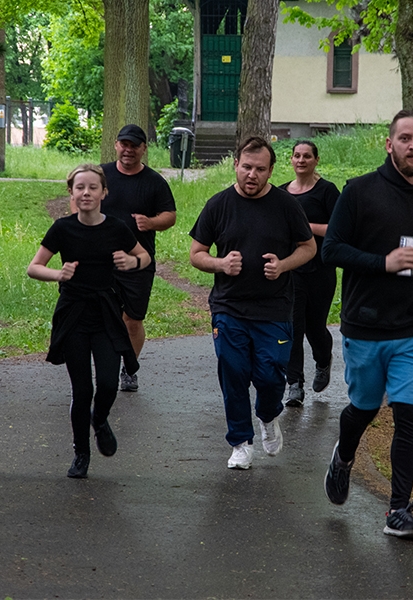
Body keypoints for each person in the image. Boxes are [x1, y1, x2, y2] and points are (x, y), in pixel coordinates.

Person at [321, 110, 413, 540]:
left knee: (408, 415)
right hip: (365, 324)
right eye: (405, 138)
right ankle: (344, 456)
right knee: (363, 408)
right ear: (389, 144)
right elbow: (331, 250)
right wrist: (382, 263)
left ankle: (398, 510)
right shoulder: (360, 192)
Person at [189, 137, 317, 470]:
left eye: (260, 169)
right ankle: (240, 443)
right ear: (235, 165)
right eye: (246, 167)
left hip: (274, 309)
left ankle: (268, 416)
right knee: (233, 373)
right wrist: (219, 264)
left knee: (271, 376)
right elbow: (196, 254)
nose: (252, 174)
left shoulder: (287, 205)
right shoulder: (218, 205)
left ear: (271, 170)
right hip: (229, 307)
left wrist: (283, 266)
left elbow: (308, 247)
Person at [28, 164, 151, 478]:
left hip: (106, 312)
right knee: (82, 390)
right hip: (73, 314)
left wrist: (131, 261)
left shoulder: (117, 228)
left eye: (92, 187)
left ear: (103, 193)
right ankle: (81, 452)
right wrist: (58, 273)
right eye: (79, 187)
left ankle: (101, 419)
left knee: (109, 383)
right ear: (71, 192)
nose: (86, 193)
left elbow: (146, 257)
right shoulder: (62, 228)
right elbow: (34, 267)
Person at [100, 124, 177, 393]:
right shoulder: (102, 175)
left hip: (139, 262)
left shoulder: (154, 182)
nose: (128, 150)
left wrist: (151, 222)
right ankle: (105, 366)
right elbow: (79, 198)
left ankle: (129, 368)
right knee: (103, 317)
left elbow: (171, 216)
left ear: (144, 149)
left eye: (134, 145)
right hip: (101, 261)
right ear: (116, 144)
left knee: (132, 320)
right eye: (124, 144)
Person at [279, 140, 340, 407]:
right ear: (290, 160)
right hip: (291, 270)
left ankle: (323, 359)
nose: (301, 160)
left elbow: (338, 230)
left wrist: (304, 226)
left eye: (306, 156)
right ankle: (294, 385)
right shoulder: (280, 193)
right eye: (296, 156)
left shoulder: (327, 191)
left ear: (316, 160)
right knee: (293, 327)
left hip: (320, 269)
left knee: (314, 327)